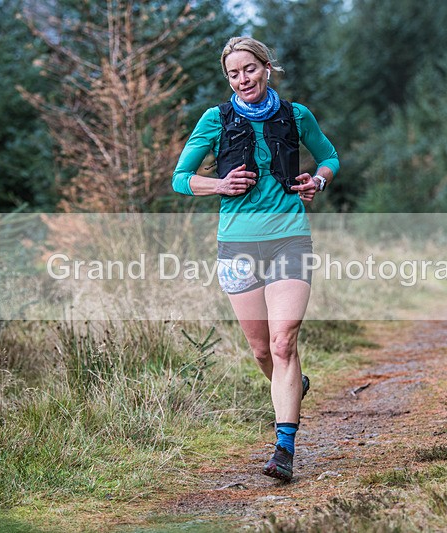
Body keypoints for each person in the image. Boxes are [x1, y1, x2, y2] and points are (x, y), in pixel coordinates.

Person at [172, 36, 339, 482]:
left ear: (266, 67)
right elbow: (180, 178)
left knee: (284, 343)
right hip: (237, 245)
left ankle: (284, 449)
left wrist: (318, 182)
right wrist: (219, 185)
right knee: (263, 350)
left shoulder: (296, 115)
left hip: (289, 239)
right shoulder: (215, 119)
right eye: (234, 73)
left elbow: (329, 157)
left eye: (249, 69)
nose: (243, 79)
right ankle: (293, 385)